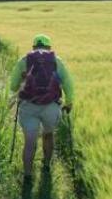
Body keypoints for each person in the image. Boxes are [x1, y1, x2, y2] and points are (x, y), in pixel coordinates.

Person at [9, 34, 74, 179]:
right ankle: (46, 165)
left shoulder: (24, 61)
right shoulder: (56, 61)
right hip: (51, 106)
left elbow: (13, 85)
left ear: (33, 47)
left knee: (29, 142)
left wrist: (14, 97)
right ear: (49, 47)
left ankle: (27, 175)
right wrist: (69, 102)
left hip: (28, 107)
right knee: (48, 135)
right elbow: (68, 84)